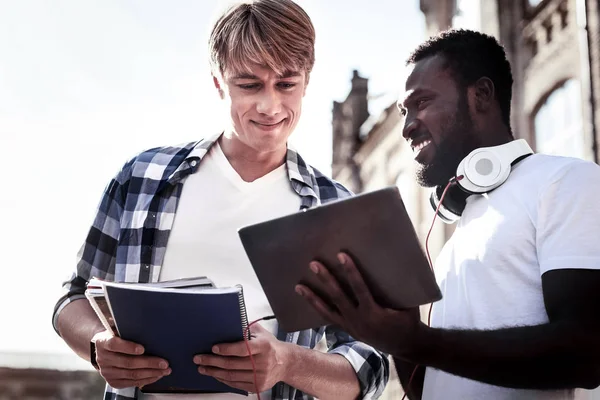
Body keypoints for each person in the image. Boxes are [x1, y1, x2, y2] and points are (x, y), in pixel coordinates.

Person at [51, 1, 389, 399]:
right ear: (217, 82)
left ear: (307, 81)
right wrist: (96, 345)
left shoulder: (334, 208)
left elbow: (370, 364)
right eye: (249, 85)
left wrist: (287, 362)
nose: (270, 106)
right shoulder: (142, 178)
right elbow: (73, 297)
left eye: (286, 84)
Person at [296, 29, 600, 399]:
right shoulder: (456, 241)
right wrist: (392, 329)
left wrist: (418, 340)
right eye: (404, 111)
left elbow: (586, 352)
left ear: (481, 96)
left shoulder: (565, 181)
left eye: (421, 102)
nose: (407, 126)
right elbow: (434, 387)